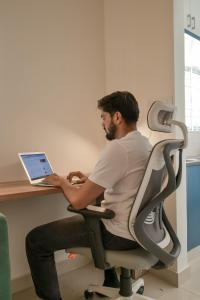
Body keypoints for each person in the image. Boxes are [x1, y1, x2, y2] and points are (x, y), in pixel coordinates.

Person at [26, 91, 152, 300]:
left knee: (35, 240)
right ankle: (111, 279)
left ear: (117, 117)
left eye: (103, 117)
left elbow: (78, 201)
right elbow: (127, 179)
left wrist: (62, 182)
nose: (102, 123)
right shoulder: (144, 144)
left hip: (118, 233)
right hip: (141, 229)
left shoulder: (119, 148)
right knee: (97, 199)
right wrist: (91, 179)